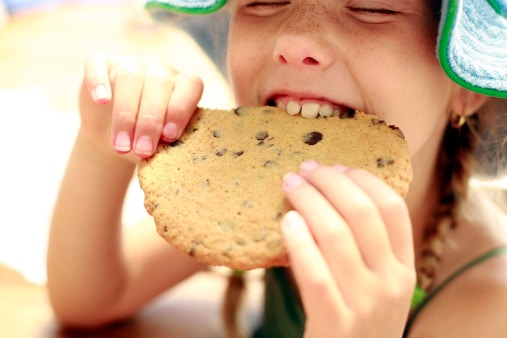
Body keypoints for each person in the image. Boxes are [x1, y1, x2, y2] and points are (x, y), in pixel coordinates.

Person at [46, 0, 507, 337]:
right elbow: (89, 299)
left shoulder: (488, 302)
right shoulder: (254, 197)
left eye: (371, 8)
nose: (295, 42)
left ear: (466, 86)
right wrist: (103, 146)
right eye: (265, 1)